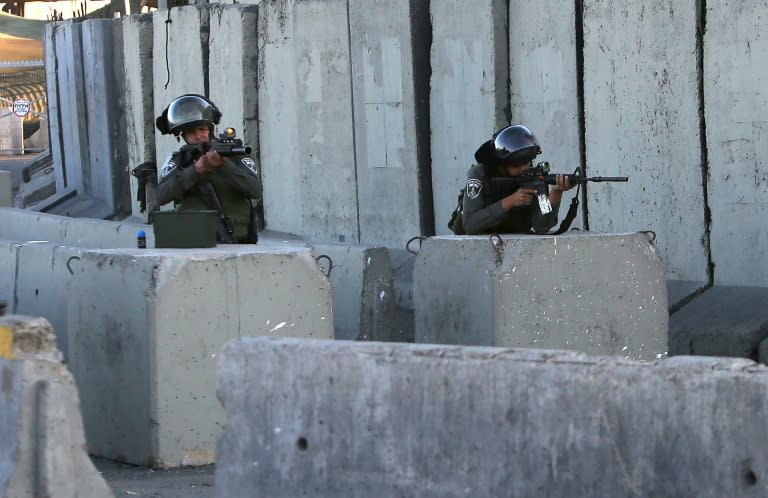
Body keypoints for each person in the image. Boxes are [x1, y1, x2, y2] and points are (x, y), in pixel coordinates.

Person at [155, 94, 262, 243]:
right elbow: (162, 196)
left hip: (235, 241)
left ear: (210, 129)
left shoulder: (234, 155)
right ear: (182, 135)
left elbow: (254, 190)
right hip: (192, 240)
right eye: (191, 132)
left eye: (201, 129)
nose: (198, 136)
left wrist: (224, 165)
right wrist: (195, 170)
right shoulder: (179, 160)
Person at [461, 124, 574, 235]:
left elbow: (542, 226)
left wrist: (556, 192)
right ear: (502, 165)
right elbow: (471, 225)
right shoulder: (480, 174)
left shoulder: (534, 179)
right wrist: (511, 201)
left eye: (527, 163)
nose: (524, 168)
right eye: (516, 165)